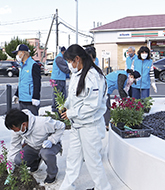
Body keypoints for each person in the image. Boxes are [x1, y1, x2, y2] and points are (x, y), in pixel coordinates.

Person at [60, 44, 111, 190]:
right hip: (78, 125)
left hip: (90, 127)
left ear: (77, 58)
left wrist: (70, 113)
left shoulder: (93, 77)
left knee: (93, 161)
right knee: (73, 159)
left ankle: (103, 188)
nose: (70, 65)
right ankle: (67, 187)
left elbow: (92, 106)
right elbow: (73, 95)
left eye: (70, 61)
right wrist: (66, 105)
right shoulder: (78, 73)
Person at [5, 108, 65, 184]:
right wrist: (10, 162)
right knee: (18, 160)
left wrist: (51, 140)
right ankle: (35, 162)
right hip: (32, 147)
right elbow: (14, 145)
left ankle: (52, 174)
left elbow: (61, 126)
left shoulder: (43, 123)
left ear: (23, 124)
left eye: (15, 129)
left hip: (49, 146)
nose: (15, 132)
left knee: (46, 154)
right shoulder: (18, 129)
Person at [11, 44, 41, 116]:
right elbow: (21, 82)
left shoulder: (33, 65)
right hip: (22, 100)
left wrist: (36, 97)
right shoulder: (21, 65)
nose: (17, 55)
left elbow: (37, 83)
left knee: (32, 123)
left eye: (17, 53)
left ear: (23, 53)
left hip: (30, 101)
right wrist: (16, 94)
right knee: (23, 123)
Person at [50, 46, 70, 114]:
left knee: (61, 95)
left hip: (60, 78)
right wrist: (71, 71)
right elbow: (64, 68)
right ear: (63, 52)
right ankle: (56, 110)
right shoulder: (59, 58)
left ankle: (61, 109)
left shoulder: (61, 58)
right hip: (58, 78)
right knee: (58, 95)